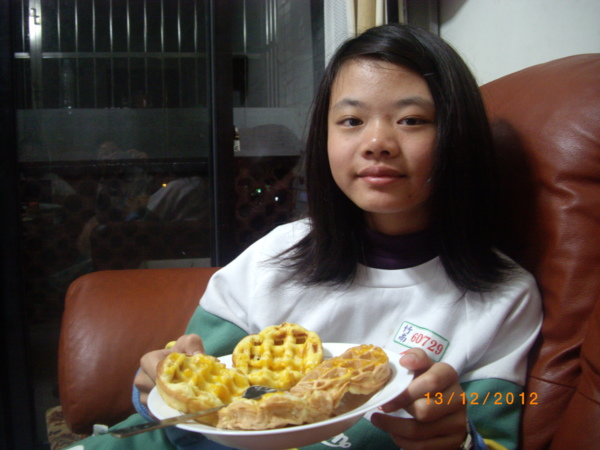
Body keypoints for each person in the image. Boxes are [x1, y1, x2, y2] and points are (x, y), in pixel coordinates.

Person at [67, 23, 542, 450]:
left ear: (458, 134)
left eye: (411, 120)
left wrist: (458, 440)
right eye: (351, 121)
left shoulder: (503, 299)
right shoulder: (277, 255)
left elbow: (492, 432)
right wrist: (153, 385)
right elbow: (179, 400)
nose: (376, 143)